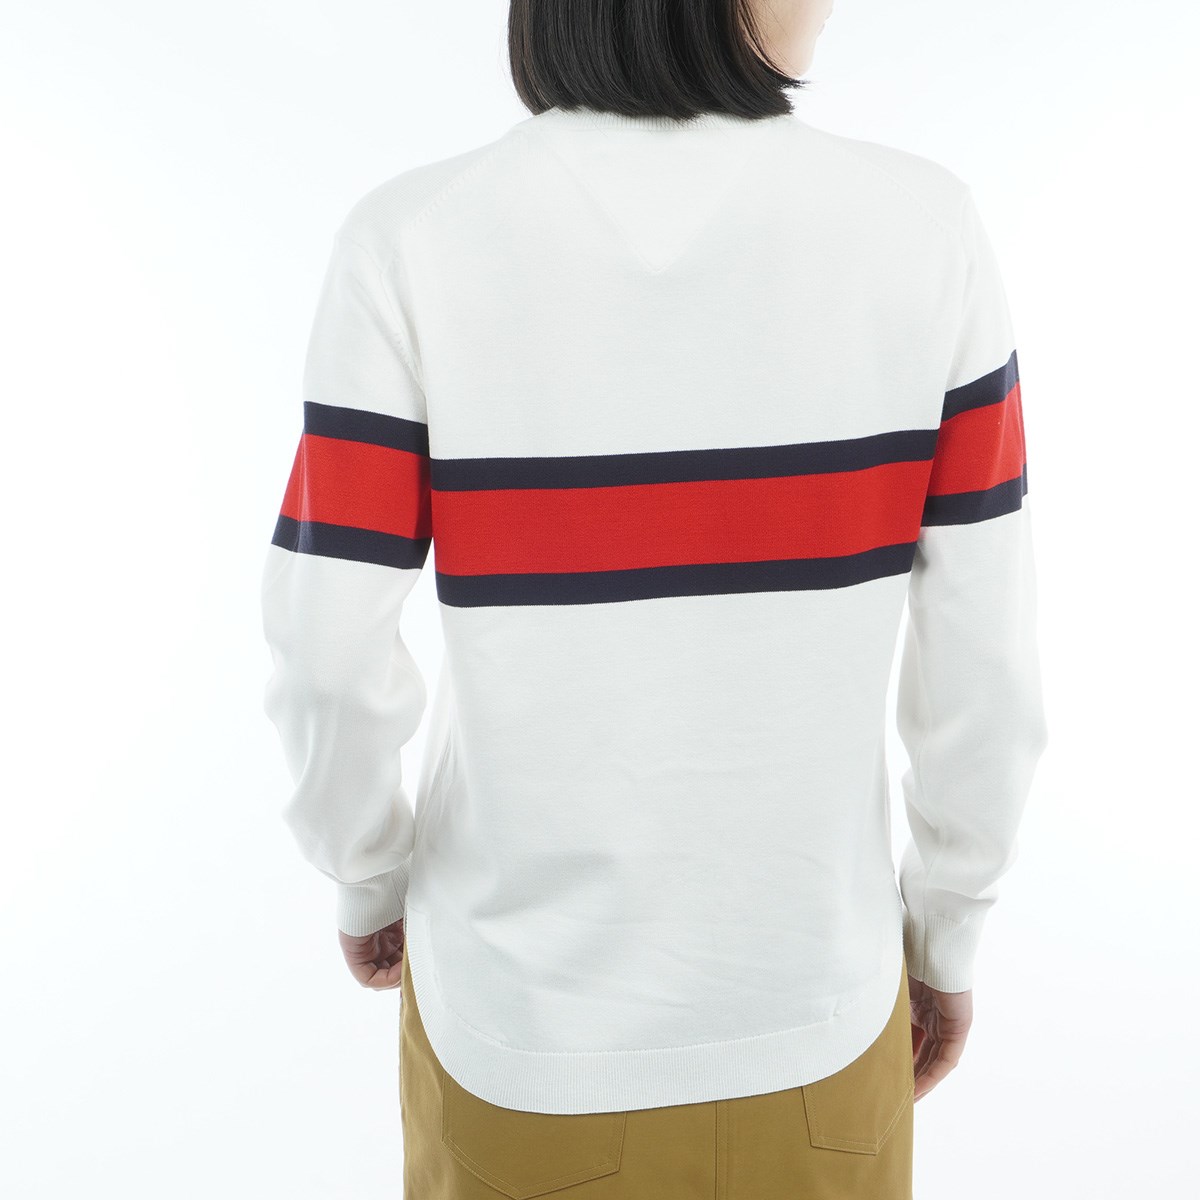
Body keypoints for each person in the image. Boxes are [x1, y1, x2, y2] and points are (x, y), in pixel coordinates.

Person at [259, 1, 1048, 1195]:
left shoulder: (414, 238)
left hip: (519, 1038)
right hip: (821, 1020)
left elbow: (325, 654)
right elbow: (986, 671)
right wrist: (948, 931)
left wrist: (368, 870)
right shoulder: (925, 229)